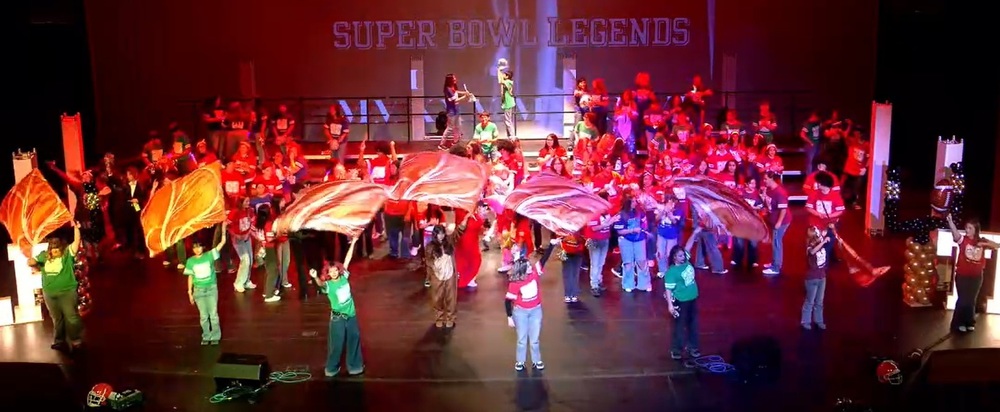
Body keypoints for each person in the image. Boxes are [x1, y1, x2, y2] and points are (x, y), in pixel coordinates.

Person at [311, 239, 364, 377]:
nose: (334, 273)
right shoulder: (328, 285)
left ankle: (355, 366)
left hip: (351, 315)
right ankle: (332, 368)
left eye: (336, 270)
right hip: (338, 318)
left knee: (354, 338)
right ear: (328, 272)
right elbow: (321, 285)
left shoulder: (344, 277)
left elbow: (348, 258)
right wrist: (315, 277)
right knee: (336, 344)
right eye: (331, 271)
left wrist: (353, 243)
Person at [29, 222, 84, 352]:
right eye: (52, 249)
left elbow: (76, 242)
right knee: (57, 319)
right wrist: (31, 263)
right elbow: (36, 267)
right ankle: (59, 341)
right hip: (50, 293)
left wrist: (77, 229)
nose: (55, 251)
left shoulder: (67, 255)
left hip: (67, 292)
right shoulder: (43, 256)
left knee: (71, 317)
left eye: (57, 249)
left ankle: (76, 341)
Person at [945, 214, 999, 333]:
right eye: (966, 228)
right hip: (962, 275)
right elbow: (955, 235)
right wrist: (950, 222)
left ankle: (969, 322)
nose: (967, 230)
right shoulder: (963, 240)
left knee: (971, 300)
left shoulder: (982, 241)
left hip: (976, 276)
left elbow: (997, 245)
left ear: (976, 230)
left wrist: (983, 244)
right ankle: (957, 323)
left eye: (970, 228)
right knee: (963, 299)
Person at [184, 225, 228, 345]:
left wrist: (223, 227)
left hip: (211, 288)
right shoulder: (190, 261)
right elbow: (190, 276)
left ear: (203, 247)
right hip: (198, 290)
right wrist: (190, 292)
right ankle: (206, 335)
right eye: (194, 248)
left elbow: (222, 242)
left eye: (199, 247)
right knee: (203, 316)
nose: (197, 250)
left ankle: (215, 336)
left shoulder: (210, 255)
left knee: (213, 314)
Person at [505, 257, 545, 372]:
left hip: (536, 311)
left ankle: (536, 360)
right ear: (522, 269)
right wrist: (509, 317)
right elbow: (508, 301)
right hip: (520, 313)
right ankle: (520, 361)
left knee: (535, 339)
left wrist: (551, 246)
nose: (530, 267)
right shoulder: (515, 284)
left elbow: (543, 260)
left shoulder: (534, 274)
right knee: (522, 339)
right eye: (527, 266)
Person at [663, 244, 700, 360]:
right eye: (680, 256)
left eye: (683, 255)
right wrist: (670, 305)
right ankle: (676, 349)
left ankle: (693, 347)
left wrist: (695, 232)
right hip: (681, 301)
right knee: (679, 326)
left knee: (693, 324)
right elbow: (668, 290)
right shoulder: (672, 272)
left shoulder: (686, 261)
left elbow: (689, 244)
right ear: (674, 257)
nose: (683, 257)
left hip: (692, 298)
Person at [427, 224, 459, 328]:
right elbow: (428, 261)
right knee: (437, 298)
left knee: (451, 298)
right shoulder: (430, 246)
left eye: (442, 233)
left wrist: (465, 219)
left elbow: (459, 232)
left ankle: (450, 318)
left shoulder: (449, 242)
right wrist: (433, 267)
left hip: (449, 273)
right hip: (437, 275)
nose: (441, 236)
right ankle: (439, 318)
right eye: (438, 233)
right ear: (435, 234)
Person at [762, 171, 791, 276]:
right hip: (773, 220)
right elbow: (769, 205)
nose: (764, 181)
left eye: (765, 179)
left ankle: (776, 267)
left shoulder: (780, 192)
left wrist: (779, 222)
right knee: (774, 242)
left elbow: (783, 209)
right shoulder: (769, 190)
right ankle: (774, 262)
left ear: (771, 179)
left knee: (777, 242)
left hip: (781, 221)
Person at [802, 226, 831, 330]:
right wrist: (823, 242)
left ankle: (819, 321)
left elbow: (826, 233)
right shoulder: (809, 246)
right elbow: (813, 251)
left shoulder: (819, 241)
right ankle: (806, 321)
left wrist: (827, 231)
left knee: (819, 301)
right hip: (812, 278)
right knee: (810, 301)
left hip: (822, 277)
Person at [499, 69, 516, 138]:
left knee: (508, 120)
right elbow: (500, 82)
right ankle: (510, 136)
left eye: (504, 74)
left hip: (508, 103)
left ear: (507, 76)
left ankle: (512, 136)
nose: (502, 75)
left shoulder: (508, 82)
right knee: (507, 120)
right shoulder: (506, 81)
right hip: (507, 102)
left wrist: (499, 71)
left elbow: (501, 81)